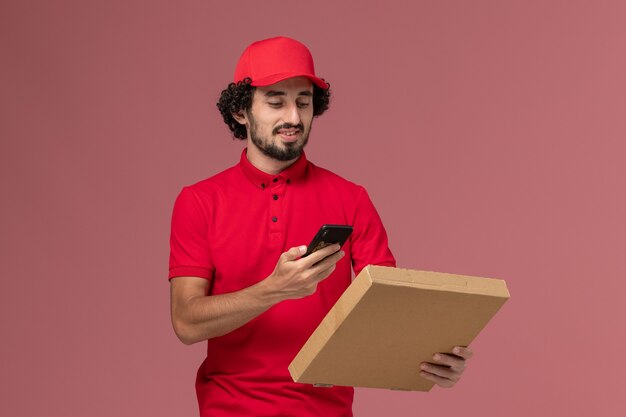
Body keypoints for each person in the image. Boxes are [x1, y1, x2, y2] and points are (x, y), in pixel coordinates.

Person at [168, 36, 473, 417]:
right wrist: (273, 290)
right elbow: (186, 322)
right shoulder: (199, 201)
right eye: (276, 102)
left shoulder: (351, 198)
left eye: (304, 102)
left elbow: (387, 315)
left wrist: (431, 360)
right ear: (241, 111)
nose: (293, 118)